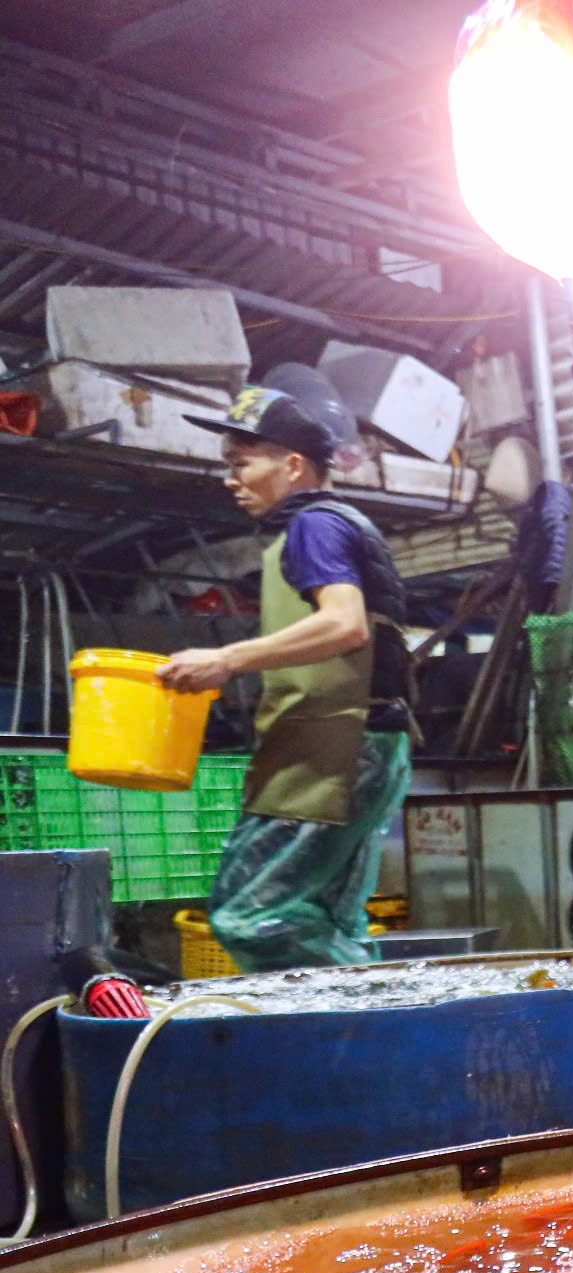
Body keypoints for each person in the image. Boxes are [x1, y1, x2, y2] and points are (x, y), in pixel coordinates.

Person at [161, 384, 413, 970]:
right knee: (329, 918)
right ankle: (372, 1044)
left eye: (241, 463)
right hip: (366, 745)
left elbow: (344, 624)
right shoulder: (333, 525)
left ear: (292, 464)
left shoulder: (313, 527)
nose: (231, 478)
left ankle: (354, 1019)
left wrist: (225, 661)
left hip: (335, 746)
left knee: (247, 915)